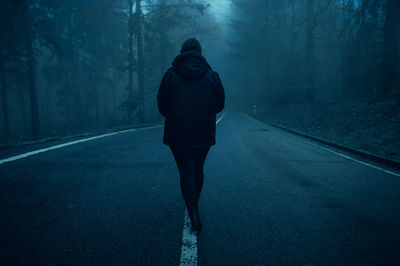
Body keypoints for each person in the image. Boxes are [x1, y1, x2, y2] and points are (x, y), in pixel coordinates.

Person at [157, 38, 225, 231]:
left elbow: (162, 104)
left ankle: (193, 212)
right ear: (200, 52)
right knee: (198, 169)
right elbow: (220, 104)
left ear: (182, 52)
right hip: (203, 131)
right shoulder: (212, 76)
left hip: (178, 132)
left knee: (185, 171)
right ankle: (194, 206)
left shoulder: (171, 75)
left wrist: (174, 116)